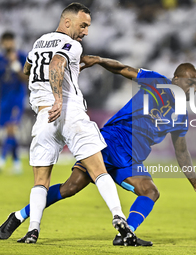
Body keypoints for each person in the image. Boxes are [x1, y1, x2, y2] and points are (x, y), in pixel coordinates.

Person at [0, 55, 196, 246]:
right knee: (70, 187)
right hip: (108, 142)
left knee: (150, 191)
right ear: (176, 79)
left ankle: (127, 233)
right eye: (191, 82)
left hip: (129, 159)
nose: (194, 88)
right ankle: (19, 216)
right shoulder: (157, 82)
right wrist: (100, 61)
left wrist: (195, 183)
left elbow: (181, 151)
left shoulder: (181, 115)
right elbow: (123, 69)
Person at [17, 3, 135, 244]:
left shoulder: (39, 43)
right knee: (98, 170)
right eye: (83, 25)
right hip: (69, 112)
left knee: (41, 180)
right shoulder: (71, 44)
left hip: (43, 117)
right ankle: (119, 217)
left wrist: (42, 94)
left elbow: (27, 69)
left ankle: (33, 230)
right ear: (67, 22)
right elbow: (58, 63)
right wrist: (59, 98)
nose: (86, 32)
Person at [0, 31, 27, 174]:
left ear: (14, 42)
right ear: (2, 43)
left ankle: (1, 160)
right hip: (4, 99)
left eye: (10, 40)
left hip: (17, 98)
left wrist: (16, 65)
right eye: (5, 41)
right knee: (10, 132)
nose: (8, 43)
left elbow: (26, 78)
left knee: (11, 128)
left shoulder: (21, 57)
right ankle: (17, 164)